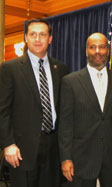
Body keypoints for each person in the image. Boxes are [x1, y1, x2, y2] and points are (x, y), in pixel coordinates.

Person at [0, 18, 69, 187]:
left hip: (54, 148)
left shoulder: (61, 69)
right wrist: (8, 144)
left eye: (42, 35)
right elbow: (3, 110)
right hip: (22, 150)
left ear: (50, 39)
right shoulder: (9, 69)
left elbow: (65, 109)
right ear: (25, 37)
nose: (37, 39)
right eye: (33, 34)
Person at [58, 32, 112, 187]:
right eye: (93, 47)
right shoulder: (70, 82)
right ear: (86, 51)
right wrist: (65, 158)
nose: (97, 51)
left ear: (108, 50)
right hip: (81, 158)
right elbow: (65, 123)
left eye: (102, 47)